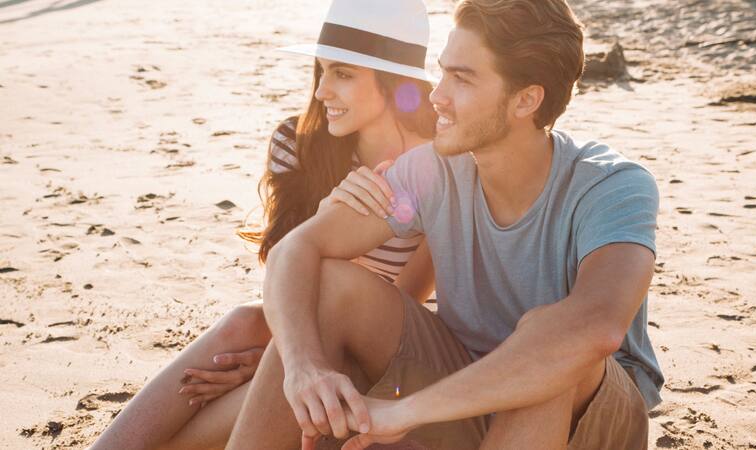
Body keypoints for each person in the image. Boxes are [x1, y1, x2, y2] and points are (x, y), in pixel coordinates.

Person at [227, 0, 665, 449]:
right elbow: (295, 248)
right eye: (443, 72)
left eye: (462, 79)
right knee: (333, 284)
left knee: (548, 354)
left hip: (586, 417)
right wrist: (303, 364)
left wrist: (403, 412)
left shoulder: (612, 186)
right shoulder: (432, 170)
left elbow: (597, 329)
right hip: (458, 389)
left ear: (526, 99)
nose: (436, 96)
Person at [89, 0, 439, 448]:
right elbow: (279, 270)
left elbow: (403, 300)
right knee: (242, 323)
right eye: (321, 71)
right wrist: (285, 353)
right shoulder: (297, 145)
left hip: (370, 351)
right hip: (295, 329)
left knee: (264, 350)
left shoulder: (436, 171)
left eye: (343, 74)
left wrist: (275, 362)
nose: (321, 91)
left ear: (394, 81)